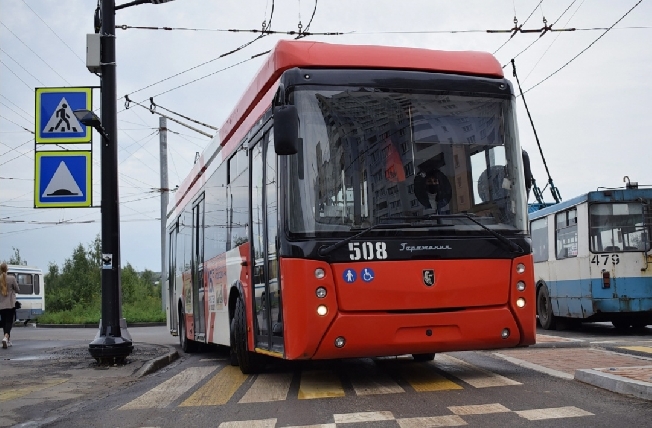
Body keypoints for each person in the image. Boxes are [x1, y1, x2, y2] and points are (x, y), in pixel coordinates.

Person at [0, 262, 20, 348]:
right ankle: (6, 337)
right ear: (7, 269)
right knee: (9, 322)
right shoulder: (12, 278)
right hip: (10, 304)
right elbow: (17, 289)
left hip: (1, 305)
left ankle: (7, 340)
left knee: (4, 322)